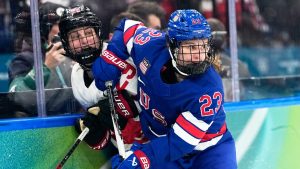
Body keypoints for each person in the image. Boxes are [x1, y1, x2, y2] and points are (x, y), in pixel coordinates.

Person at [92, 9, 237, 168]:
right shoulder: (152, 46)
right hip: (161, 143)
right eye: (190, 47)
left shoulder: (209, 88)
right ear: (171, 44)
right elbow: (127, 27)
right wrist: (112, 56)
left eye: (203, 46)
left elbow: (180, 142)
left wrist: (142, 159)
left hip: (210, 151)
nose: (199, 55)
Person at [59, 5, 147, 151]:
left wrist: (129, 119)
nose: (84, 41)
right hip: (127, 154)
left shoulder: (124, 55)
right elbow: (108, 135)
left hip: (159, 146)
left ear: (98, 34)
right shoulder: (76, 76)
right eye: (75, 37)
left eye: (88, 33)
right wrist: (96, 130)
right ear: (66, 44)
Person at [8, 2, 78, 117]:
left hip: (74, 124)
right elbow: (17, 98)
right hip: (37, 128)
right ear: (44, 28)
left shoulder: (75, 56)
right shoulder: (23, 60)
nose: (66, 29)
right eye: (59, 24)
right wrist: (46, 67)